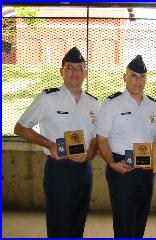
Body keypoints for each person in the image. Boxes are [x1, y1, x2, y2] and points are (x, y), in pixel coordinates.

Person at [14, 47, 100, 237]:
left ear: (85, 73)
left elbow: (95, 138)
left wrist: (91, 153)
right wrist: (50, 145)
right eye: (69, 67)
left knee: (78, 224)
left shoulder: (93, 103)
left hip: (84, 171)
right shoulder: (48, 98)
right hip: (59, 171)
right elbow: (20, 128)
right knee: (59, 226)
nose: (74, 72)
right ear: (61, 71)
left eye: (79, 68)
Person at [95, 55, 156, 237]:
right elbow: (101, 139)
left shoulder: (154, 105)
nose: (137, 81)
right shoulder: (112, 103)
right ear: (124, 77)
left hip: (146, 170)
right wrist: (111, 163)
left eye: (142, 77)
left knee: (140, 220)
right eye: (133, 76)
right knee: (124, 222)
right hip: (121, 168)